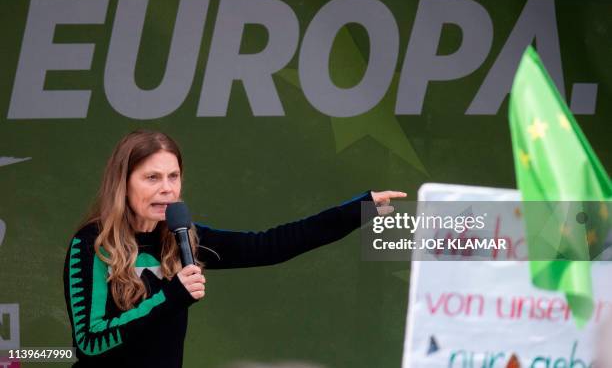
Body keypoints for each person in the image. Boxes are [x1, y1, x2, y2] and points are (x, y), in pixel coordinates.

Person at [63, 129, 406, 368]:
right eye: (152, 178)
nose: (167, 189)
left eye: (174, 176)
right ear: (123, 183)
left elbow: (269, 246)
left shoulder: (183, 238)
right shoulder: (93, 244)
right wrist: (171, 296)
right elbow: (89, 344)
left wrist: (358, 210)